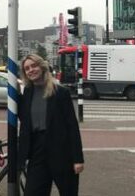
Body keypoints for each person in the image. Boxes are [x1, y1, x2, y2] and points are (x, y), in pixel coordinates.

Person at [18, 54, 84, 196]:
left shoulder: (60, 92)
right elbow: (25, 122)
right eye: (27, 68)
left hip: (61, 152)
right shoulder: (28, 93)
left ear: (42, 67)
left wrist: (78, 159)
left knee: (68, 192)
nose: (31, 70)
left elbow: (72, 126)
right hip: (37, 152)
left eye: (34, 66)